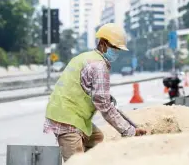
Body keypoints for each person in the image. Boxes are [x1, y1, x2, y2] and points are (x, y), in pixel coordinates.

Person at [43, 23, 146, 162]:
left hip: (68, 113)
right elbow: (105, 107)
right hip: (66, 119)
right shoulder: (99, 66)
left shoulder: (85, 57)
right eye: (115, 48)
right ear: (103, 44)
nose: (116, 52)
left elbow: (92, 92)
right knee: (76, 161)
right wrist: (130, 131)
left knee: (97, 139)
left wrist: (106, 98)